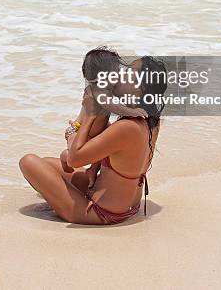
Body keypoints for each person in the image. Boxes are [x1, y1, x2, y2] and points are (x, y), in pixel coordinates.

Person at [19, 55, 167, 224]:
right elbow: (115, 144)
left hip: (101, 212)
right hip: (126, 206)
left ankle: (63, 207)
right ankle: (63, 198)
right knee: (46, 164)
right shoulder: (151, 121)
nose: (120, 76)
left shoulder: (127, 128)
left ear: (140, 89)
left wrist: (87, 116)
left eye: (128, 74)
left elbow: (75, 159)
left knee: (28, 162)